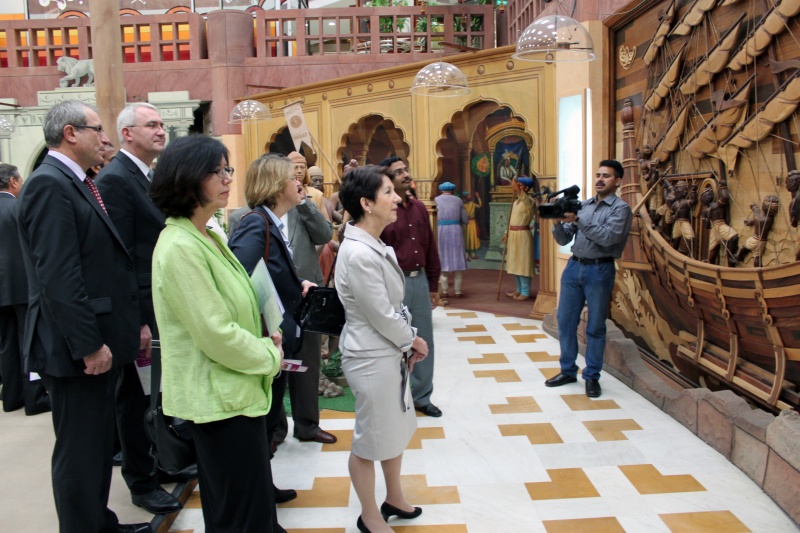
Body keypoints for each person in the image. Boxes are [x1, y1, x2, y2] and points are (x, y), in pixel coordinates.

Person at [16, 100, 149, 533]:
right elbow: (58, 276)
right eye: (97, 130)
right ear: (70, 133)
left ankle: (99, 522)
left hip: (94, 339)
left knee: (94, 446)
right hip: (74, 348)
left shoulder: (77, 182)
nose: (106, 138)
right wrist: (89, 344)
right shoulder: (48, 185)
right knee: (79, 451)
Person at [149, 135, 284, 533]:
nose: (229, 178)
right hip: (218, 397)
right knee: (238, 514)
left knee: (248, 504)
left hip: (234, 390)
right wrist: (269, 356)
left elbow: (235, 301)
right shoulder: (179, 246)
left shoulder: (207, 233)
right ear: (188, 179)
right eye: (218, 170)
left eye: (228, 169)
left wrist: (264, 332)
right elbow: (216, 333)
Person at [228, 153, 335, 511]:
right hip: (269, 336)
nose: (298, 184)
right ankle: (258, 495)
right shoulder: (256, 224)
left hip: (281, 331)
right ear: (276, 186)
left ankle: (264, 486)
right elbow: (239, 281)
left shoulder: (268, 222)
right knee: (263, 418)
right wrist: (264, 324)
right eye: (292, 178)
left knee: (269, 413)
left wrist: (293, 284)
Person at [95, 103, 185, 514]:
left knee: (157, 396)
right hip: (139, 312)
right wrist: (139, 322)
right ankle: (141, 479)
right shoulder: (116, 179)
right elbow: (121, 256)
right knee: (135, 400)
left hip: (159, 305)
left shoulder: (146, 175)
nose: (161, 131)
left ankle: (162, 463)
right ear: (127, 133)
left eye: (163, 124)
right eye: (152, 125)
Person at [336, 165, 429, 533]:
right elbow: (381, 315)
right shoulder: (358, 253)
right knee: (370, 438)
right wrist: (413, 340)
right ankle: (369, 514)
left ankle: (394, 497)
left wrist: (406, 342)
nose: (397, 198)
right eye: (388, 192)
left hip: (388, 352)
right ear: (365, 203)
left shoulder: (373, 242)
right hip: (371, 357)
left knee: (394, 429)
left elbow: (392, 310)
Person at [547, 160, 633, 399]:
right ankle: (567, 370)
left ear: (617, 181)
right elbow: (564, 241)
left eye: (606, 176)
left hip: (599, 270)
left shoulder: (620, 209)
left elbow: (607, 238)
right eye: (598, 174)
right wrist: (557, 221)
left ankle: (592, 376)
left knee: (595, 326)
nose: (600, 179)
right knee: (565, 321)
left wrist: (577, 220)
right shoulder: (583, 206)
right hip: (574, 267)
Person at [378, 156, 442, 418]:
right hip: (394, 282)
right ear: (388, 180)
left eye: (406, 170)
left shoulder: (418, 209)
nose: (406, 174)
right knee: (397, 340)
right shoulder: (384, 212)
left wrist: (434, 284)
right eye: (398, 172)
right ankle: (395, 398)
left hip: (420, 280)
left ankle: (422, 397)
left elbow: (430, 247)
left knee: (425, 340)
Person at [0, 163, 50, 415]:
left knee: (6, 345)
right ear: (12, 182)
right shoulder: (17, 207)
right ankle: (34, 398)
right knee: (27, 343)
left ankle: (11, 397)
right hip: (21, 286)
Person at [502, 176, 536, 301]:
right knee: (514, 263)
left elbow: (520, 193)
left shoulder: (530, 201)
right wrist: (507, 233)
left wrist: (516, 185)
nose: (518, 188)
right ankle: (519, 289)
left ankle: (526, 292)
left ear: (526, 188)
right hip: (513, 234)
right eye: (518, 185)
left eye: (521, 185)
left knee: (523, 263)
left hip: (523, 235)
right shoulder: (516, 202)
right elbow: (512, 220)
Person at [434, 181, 468, 298]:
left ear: (441, 190)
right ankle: (458, 291)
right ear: (453, 190)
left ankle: (444, 291)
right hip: (455, 231)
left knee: (443, 259)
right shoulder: (458, 200)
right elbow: (465, 219)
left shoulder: (436, 200)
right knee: (457, 258)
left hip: (440, 231)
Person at [462, 191, 482, 260]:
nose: (469, 197)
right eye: (467, 196)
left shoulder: (473, 204)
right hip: (466, 223)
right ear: (465, 197)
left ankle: (473, 255)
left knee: (473, 237)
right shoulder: (463, 205)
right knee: (466, 238)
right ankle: (466, 256)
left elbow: (480, 205)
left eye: (469, 195)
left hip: (473, 223)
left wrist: (478, 197)